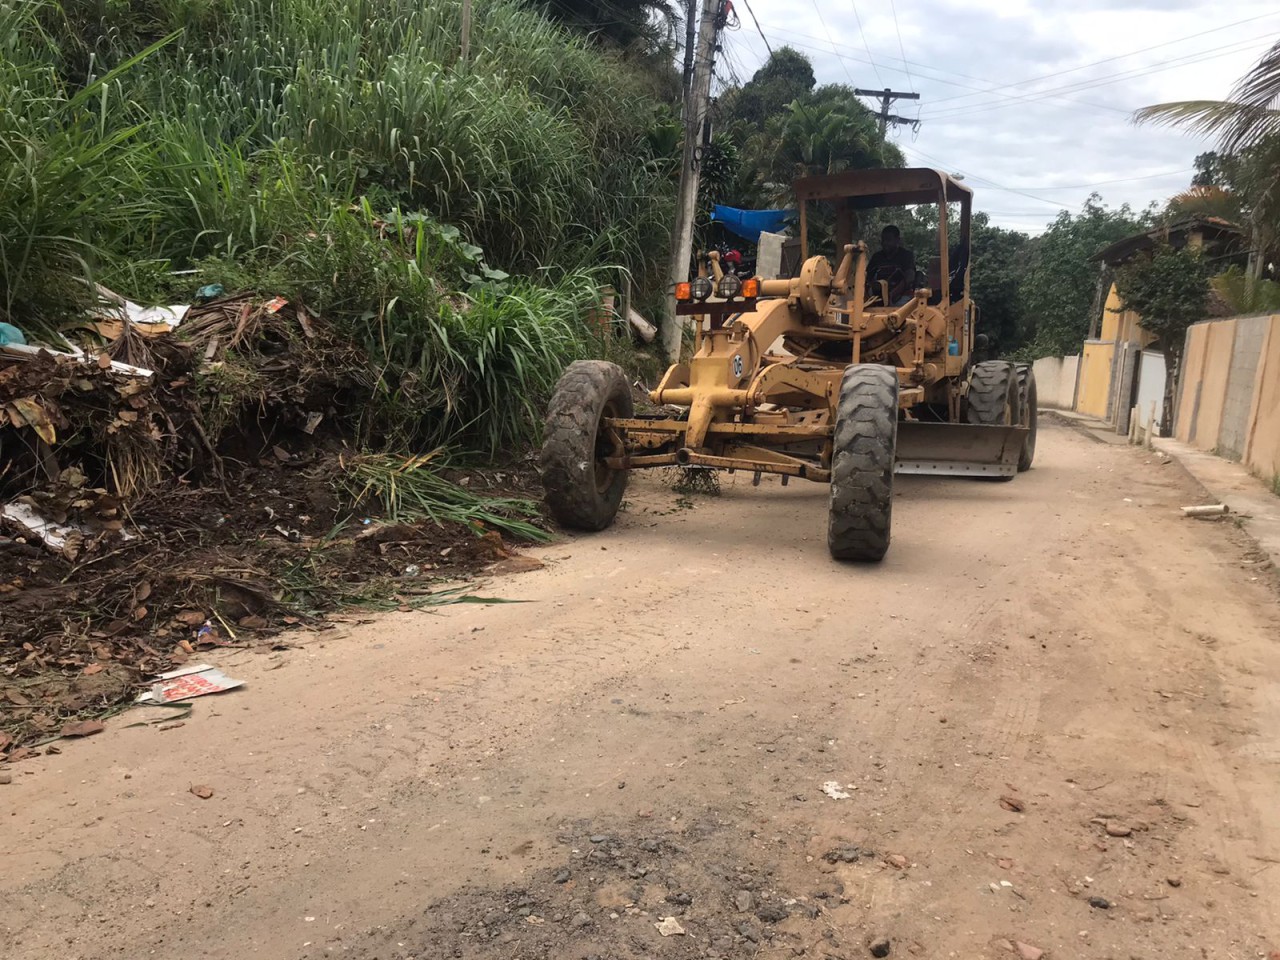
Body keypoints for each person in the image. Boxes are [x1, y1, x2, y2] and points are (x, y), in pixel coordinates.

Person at [866, 225, 917, 305]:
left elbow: (910, 276)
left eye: (889, 240)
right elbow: (867, 276)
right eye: (883, 240)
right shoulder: (877, 257)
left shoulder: (906, 256)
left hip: (901, 296)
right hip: (878, 297)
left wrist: (894, 292)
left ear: (898, 240)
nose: (885, 243)